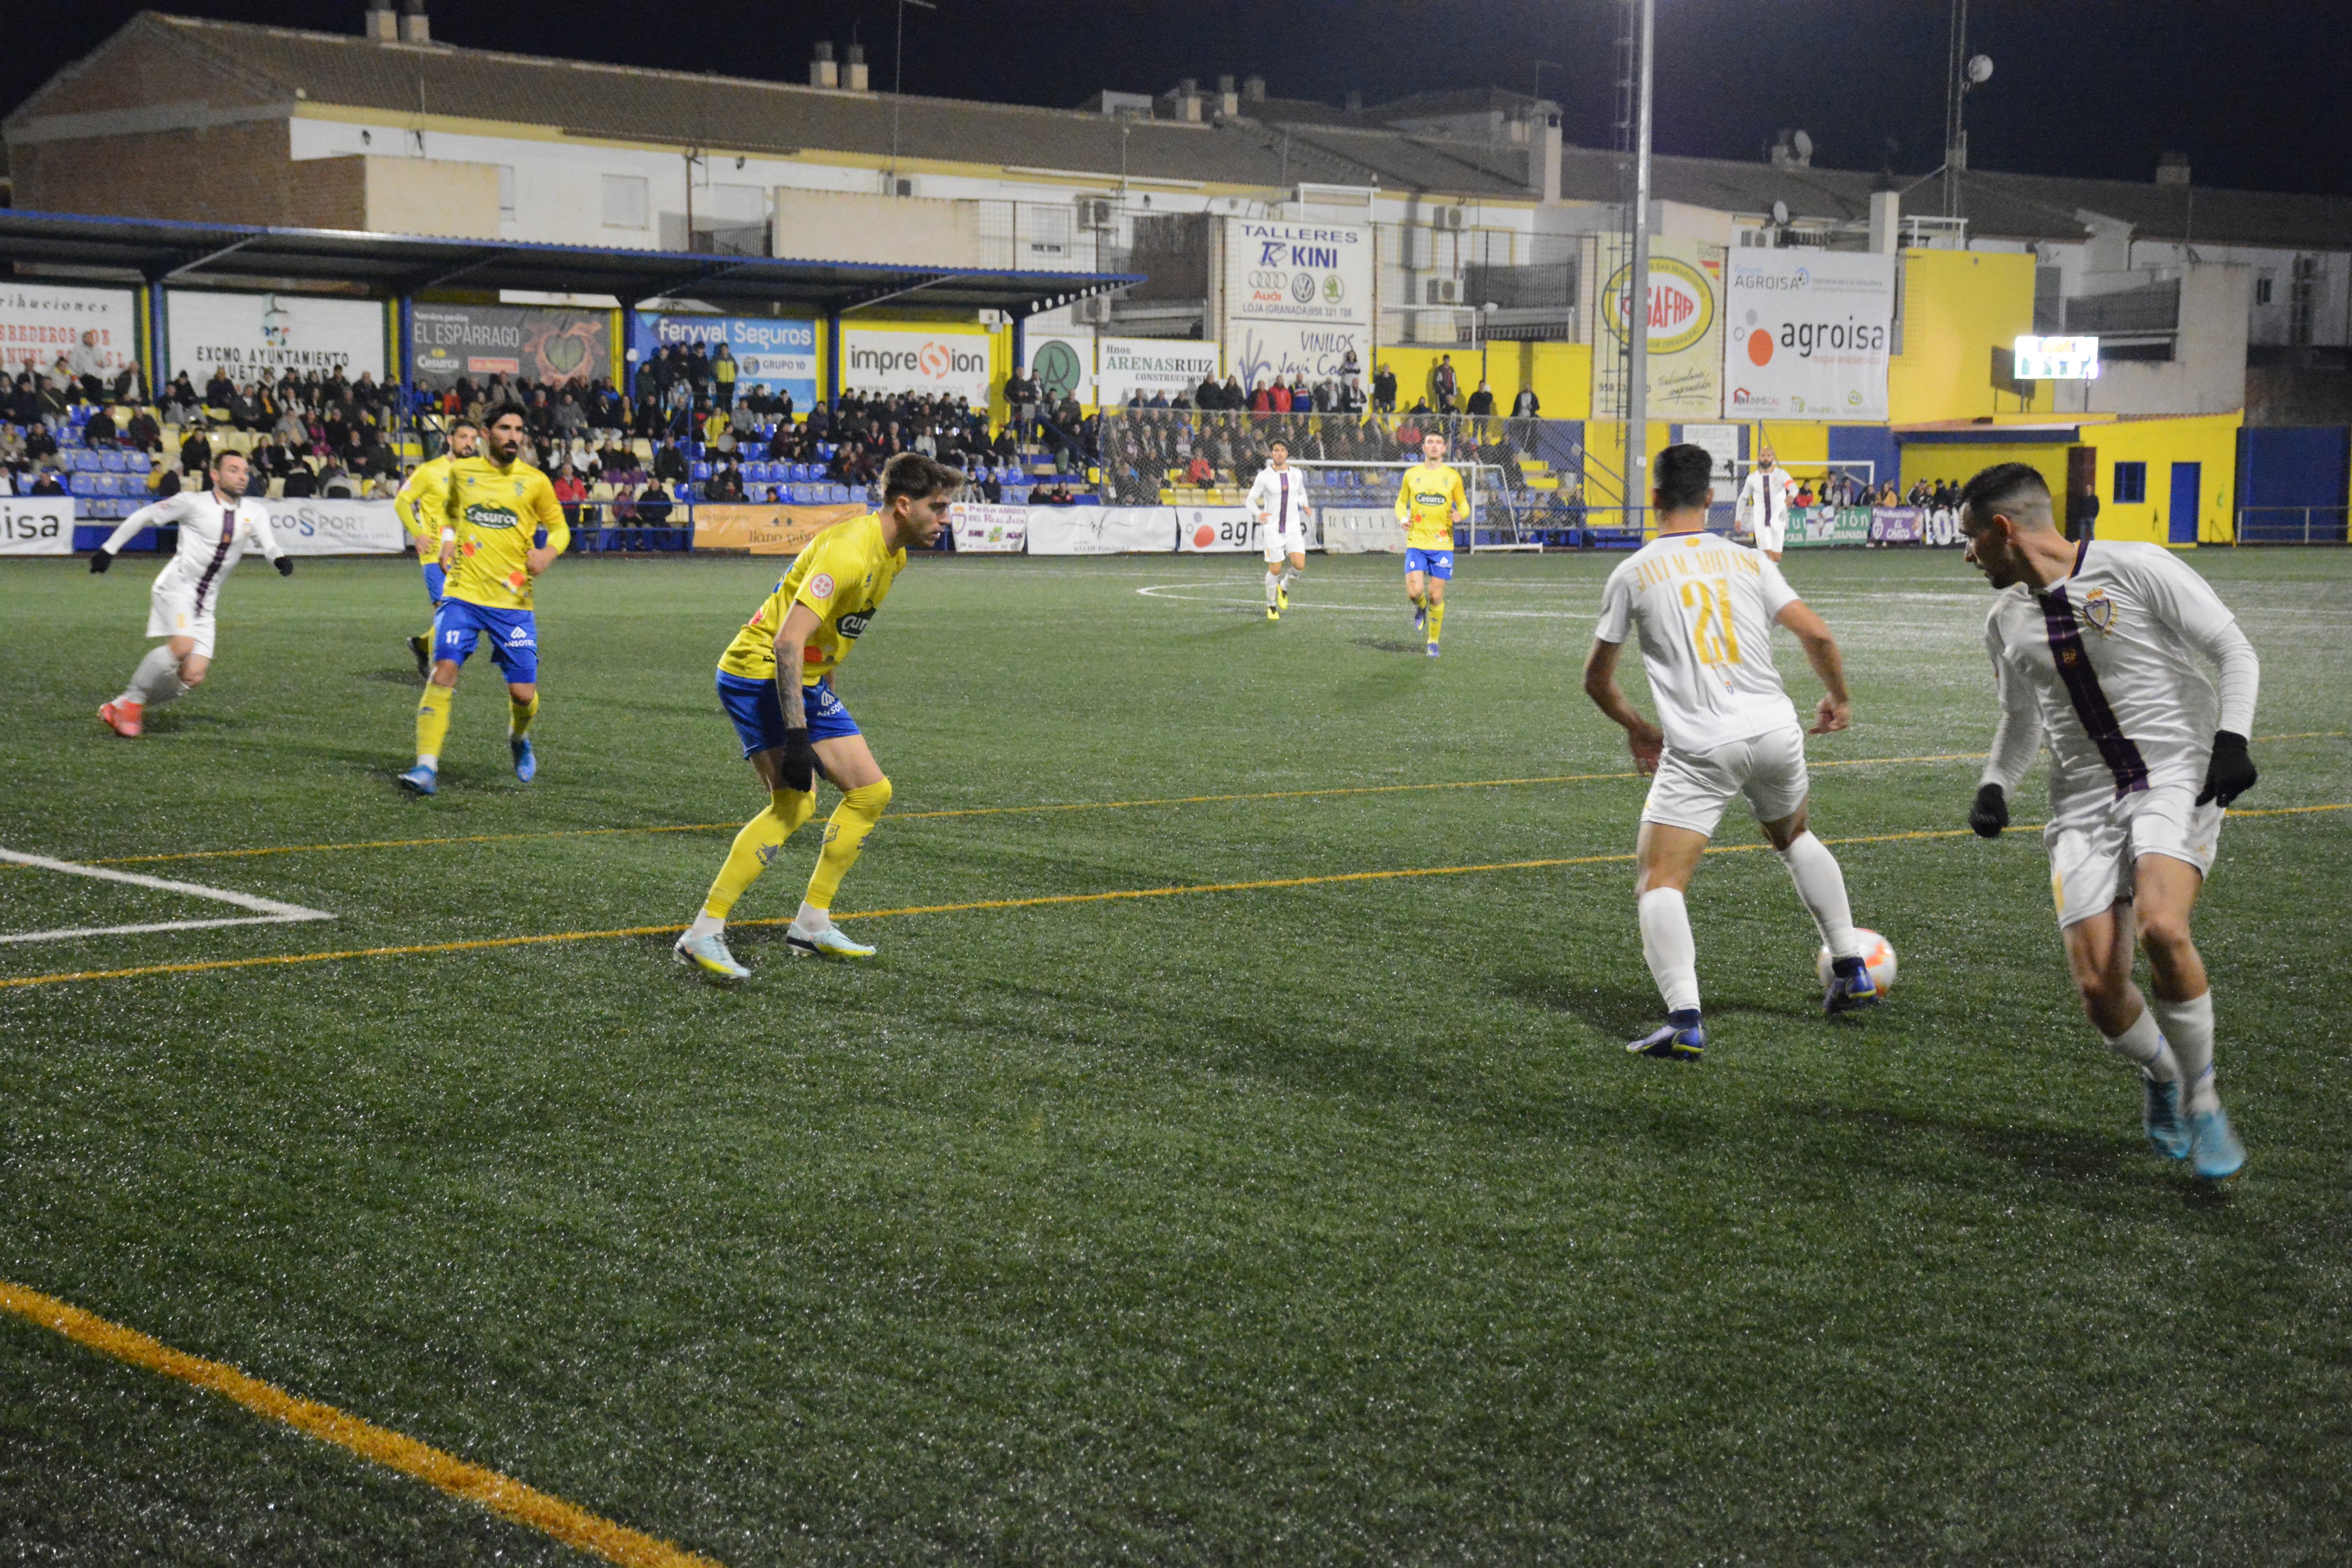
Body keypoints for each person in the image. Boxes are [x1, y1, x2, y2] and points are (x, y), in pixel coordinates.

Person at [1956, 462, 2260, 1179]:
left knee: (2162, 925)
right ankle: (2161, 1075)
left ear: (2005, 530)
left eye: (1972, 538)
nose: (1967, 554)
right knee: (2099, 988)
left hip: (2175, 776)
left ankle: (2204, 1099)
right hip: (2083, 804)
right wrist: (1996, 781)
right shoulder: (2004, 622)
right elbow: (2019, 717)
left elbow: (2233, 650)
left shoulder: (2137, 567)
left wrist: (2234, 741)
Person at [1581, 443, 1875, 1062]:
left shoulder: (1632, 573)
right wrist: (1838, 698)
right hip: (1775, 731)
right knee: (1794, 837)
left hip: (1701, 748)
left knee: (1660, 880)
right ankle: (1852, 968)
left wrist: (1638, 727)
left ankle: (1686, 1019)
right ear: (1711, 499)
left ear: (1655, 498)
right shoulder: (1748, 560)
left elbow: (1597, 680)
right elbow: (1816, 632)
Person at [675, 452, 961, 980]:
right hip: (757, 671)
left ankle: (811, 923)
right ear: (904, 505)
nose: (947, 518)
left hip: (801, 679)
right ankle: (703, 932)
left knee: (870, 792)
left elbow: (829, 638)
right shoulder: (851, 552)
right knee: (794, 804)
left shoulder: (893, 555)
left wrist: (826, 697)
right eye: (938, 507)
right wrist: (798, 736)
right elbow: (788, 642)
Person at [398, 406, 567, 796]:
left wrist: (548, 554)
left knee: (523, 694)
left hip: (513, 603)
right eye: (505, 428)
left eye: (519, 429)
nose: (513, 436)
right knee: (444, 670)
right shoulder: (462, 473)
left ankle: (518, 738)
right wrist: (447, 539)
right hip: (463, 594)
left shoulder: (536, 481)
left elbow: (559, 528)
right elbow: (450, 512)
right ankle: (426, 767)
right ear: (486, 433)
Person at [89, 450, 292, 738]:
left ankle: (121, 705)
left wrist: (279, 559)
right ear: (215, 475)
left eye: (245, 471)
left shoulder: (254, 512)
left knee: (193, 675)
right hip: (178, 587)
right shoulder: (192, 503)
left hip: (206, 603)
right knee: (183, 646)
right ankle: (133, 700)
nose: (242, 477)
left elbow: (269, 545)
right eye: (233, 470)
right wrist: (109, 549)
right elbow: (145, 515)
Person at [393, 419, 480, 677]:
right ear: (450, 439)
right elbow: (402, 502)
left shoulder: (478, 472)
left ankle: (423, 645)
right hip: (435, 554)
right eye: (463, 437)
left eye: (473, 438)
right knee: (449, 613)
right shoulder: (430, 471)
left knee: (464, 615)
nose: (469, 443)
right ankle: (440, 675)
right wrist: (418, 534)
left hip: (467, 555)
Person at [1395, 430, 1467, 657]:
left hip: (1443, 545)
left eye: (1438, 443)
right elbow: (1401, 502)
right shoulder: (1411, 475)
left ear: (1444, 449)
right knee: (1414, 592)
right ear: (1423, 447)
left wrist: (1461, 515)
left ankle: (1433, 641)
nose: (1434, 446)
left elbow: (1464, 504)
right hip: (1417, 542)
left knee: (1437, 596)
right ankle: (1421, 606)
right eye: (1430, 443)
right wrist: (1403, 518)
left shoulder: (1453, 477)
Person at [1248, 438, 1311, 622]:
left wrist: (1305, 505)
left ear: (1287, 453)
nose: (1279, 453)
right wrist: (1258, 514)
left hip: (1292, 528)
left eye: (1282, 450)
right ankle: (1271, 605)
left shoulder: (1297, 474)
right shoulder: (1265, 476)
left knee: (1299, 565)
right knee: (1275, 569)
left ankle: (1283, 587)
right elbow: (1250, 500)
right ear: (1271, 454)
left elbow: (1301, 493)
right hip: (1273, 530)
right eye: (1276, 450)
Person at [1737, 446, 1797, 561]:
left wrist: (1791, 495)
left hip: (1779, 523)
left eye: (1768, 456)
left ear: (1772, 458)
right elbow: (1743, 498)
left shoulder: (1782, 475)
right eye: (1763, 456)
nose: (1766, 459)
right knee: (1767, 556)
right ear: (1759, 458)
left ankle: (1755, 566)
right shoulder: (1752, 478)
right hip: (1761, 525)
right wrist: (1738, 518)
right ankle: (1760, 573)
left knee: (1776, 558)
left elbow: (1794, 487)